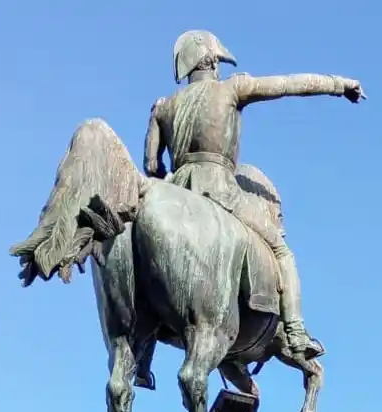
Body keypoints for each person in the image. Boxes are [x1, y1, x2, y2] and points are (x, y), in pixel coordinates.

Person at [144, 30, 365, 358]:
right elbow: (288, 85)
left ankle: (143, 350)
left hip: (176, 189)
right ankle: (295, 332)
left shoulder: (163, 107)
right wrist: (338, 84)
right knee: (282, 252)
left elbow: (151, 165)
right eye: (217, 60)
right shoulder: (231, 88)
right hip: (220, 189)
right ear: (209, 60)